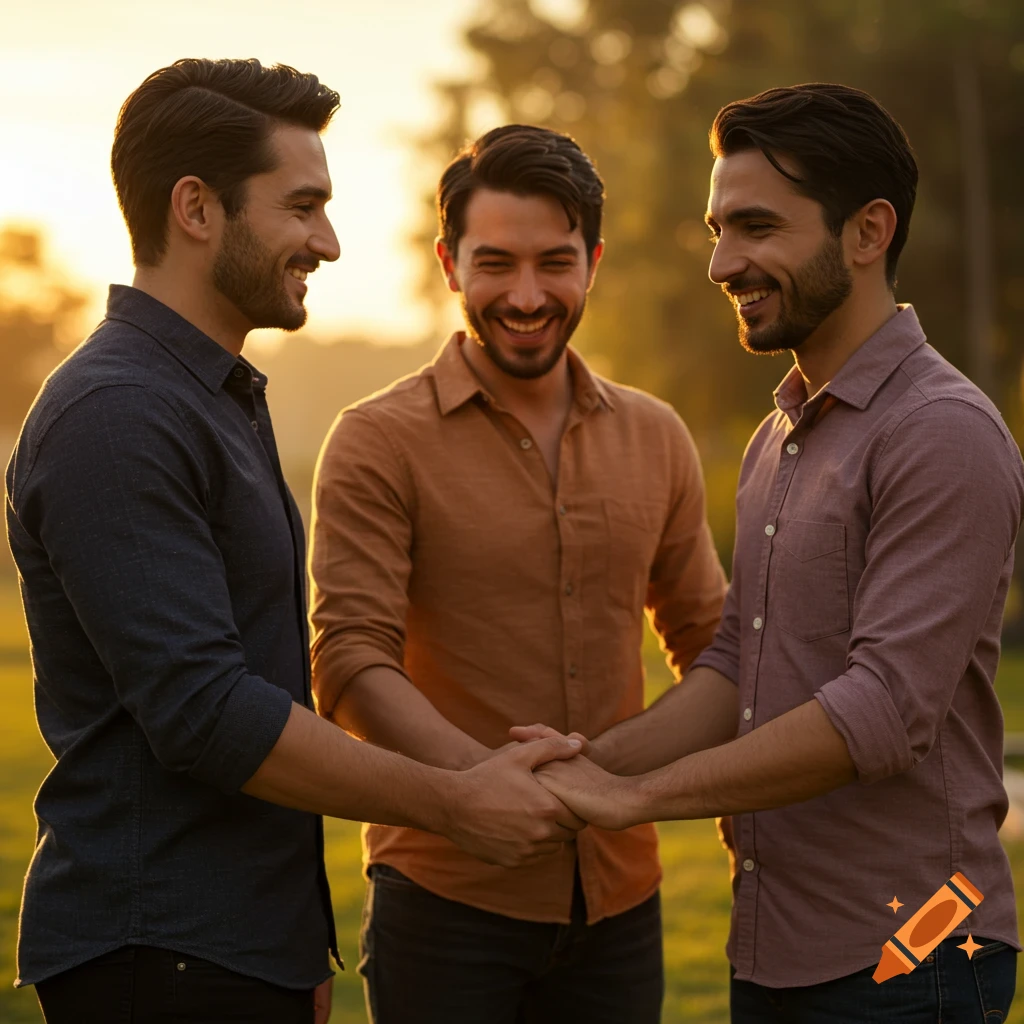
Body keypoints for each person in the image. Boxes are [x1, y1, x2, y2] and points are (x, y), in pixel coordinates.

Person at [5, 60, 584, 1024]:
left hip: (233, 948)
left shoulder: (206, 395)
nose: (329, 241)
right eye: (303, 206)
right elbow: (206, 712)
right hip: (162, 956)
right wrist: (455, 803)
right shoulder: (118, 413)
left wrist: (291, 940)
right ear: (197, 208)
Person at [525, 84, 1023, 1022]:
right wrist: (591, 763)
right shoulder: (781, 435)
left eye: (757, 227)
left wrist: (639, 800)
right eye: (718, 230)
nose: (723, 263)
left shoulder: (941, 431)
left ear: (868, 232)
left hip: (910, 957)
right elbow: (737, 666)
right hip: (777, 949)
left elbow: (883, 711)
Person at [308, 123, 727, 1023]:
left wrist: (602, 779)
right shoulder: (376, 441)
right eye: (495, 264)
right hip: (444, 900)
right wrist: (477, 790)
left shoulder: (657, 436)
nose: (527, 296)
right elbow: (348, 659)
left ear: (594, 264)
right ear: (449, 265)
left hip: (621, 902)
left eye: (555, 263)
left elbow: (715, 649)